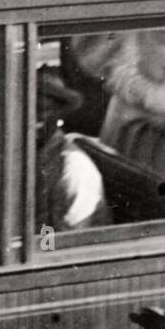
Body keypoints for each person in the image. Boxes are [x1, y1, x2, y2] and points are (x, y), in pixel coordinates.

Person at [35, 70, 109, 234]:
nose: (35, 119)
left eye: (44, 110)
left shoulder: (75, 170)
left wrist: (43, 251)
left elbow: (62, 243)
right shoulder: (27, 157)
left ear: (58, 114)